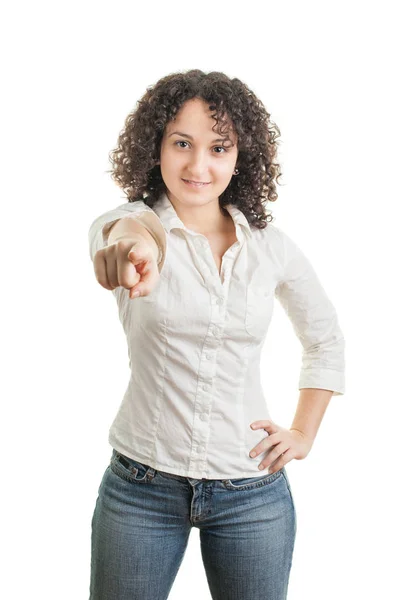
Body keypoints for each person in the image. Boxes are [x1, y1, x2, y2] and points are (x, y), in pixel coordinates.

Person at [87, 69, 345, 600]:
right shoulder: (130, 222)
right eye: (181, 143)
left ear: (239, 156)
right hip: (141, 488)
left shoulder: (271, 248)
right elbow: (128, 237)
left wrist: (302, 434)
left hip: (251, 492)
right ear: (155, 146)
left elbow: (325, 339)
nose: (198, 165)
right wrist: (133, 255)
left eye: (218, 147)